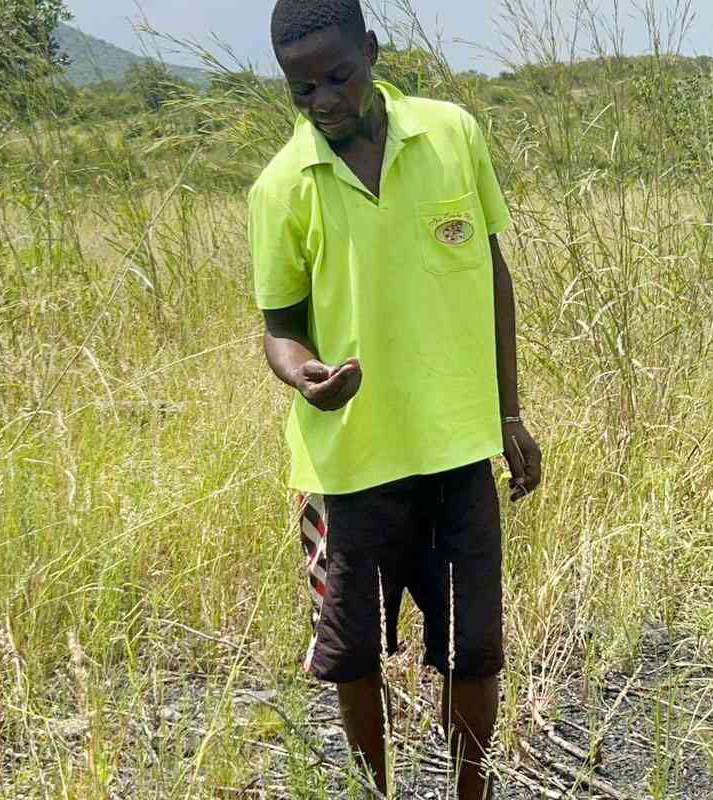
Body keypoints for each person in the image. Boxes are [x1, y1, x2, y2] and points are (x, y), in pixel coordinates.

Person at [249, 1, 543, 797]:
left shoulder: (451, 134)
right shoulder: (282, 187)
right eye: (301, 89)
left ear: (373, 51)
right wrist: (301, 371)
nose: (324, 102)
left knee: (473, 650)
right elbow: (279, 329)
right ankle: (374, 792)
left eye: (338, 77)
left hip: (456, 449)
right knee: (353, 658)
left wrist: (508, 411)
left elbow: (491, 275)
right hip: (349, 464)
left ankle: (469, 792)